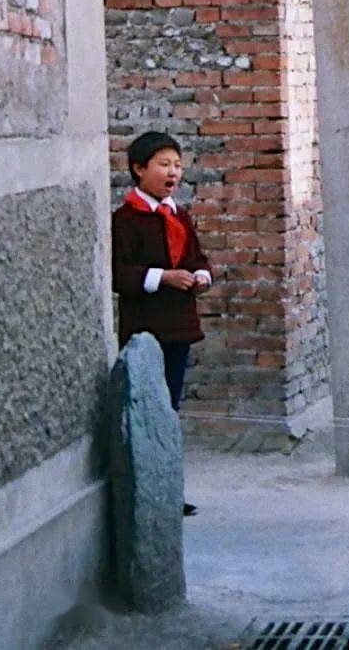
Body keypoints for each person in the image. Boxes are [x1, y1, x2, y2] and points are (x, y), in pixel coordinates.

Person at [113, 131, 212, 517]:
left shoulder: (179, 216)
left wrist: (201, 277)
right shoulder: (125, 220)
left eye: (177, 165)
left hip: (179, 326)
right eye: (163, 164)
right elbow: (119, 274)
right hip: (144, 329)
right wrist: (164, 277)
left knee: (170, 409)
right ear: (139, 169)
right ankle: (148, 494)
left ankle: (169, 490)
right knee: (147, 410)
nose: (173, 172)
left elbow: (198, 259)